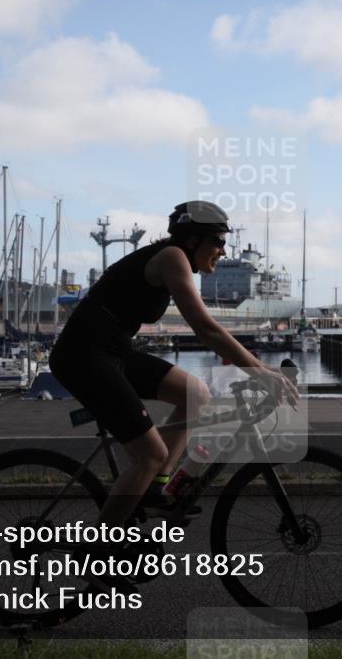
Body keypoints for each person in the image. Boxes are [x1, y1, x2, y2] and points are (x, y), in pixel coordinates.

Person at [48, 201, 299, 588]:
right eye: (218, 241)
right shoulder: (171, 258)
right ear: (193, 238)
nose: (223, 249)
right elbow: (206, 328)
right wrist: (261, 371)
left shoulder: (175, 260)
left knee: (195, 393)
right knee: (150, 454)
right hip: (83, 355)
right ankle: (98, 554)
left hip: (112, 351)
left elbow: (207, 331)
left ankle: (152, 487)